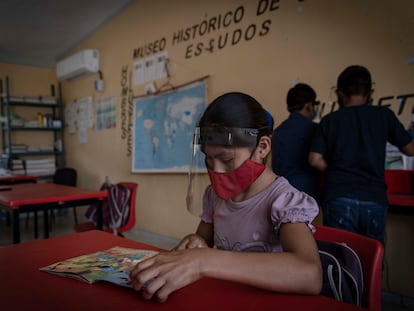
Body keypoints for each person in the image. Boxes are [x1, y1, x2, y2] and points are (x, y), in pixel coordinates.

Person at [129, 92, 322, 302]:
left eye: (226, 159)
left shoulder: (283, 200)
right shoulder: (214, 196)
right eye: (209, 161)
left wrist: (205, 261)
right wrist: (196, 243)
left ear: (262, 147)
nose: (217, 171)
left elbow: (310, 275)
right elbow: (204, 241)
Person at [309, 65, 414, 246]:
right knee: (371, 263)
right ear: (370, 91)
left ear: (340, 93)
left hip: (339, 196)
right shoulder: (384, 116)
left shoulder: (330, 120)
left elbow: (314, 159)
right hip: (373, 198)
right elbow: (410, 149)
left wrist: (336, 168)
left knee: (341, 263)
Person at [272, 83, 321, 201]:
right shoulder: (314, 129)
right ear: (309, 106)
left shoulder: (278, 131)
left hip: (281, 192)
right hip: (307, 192)